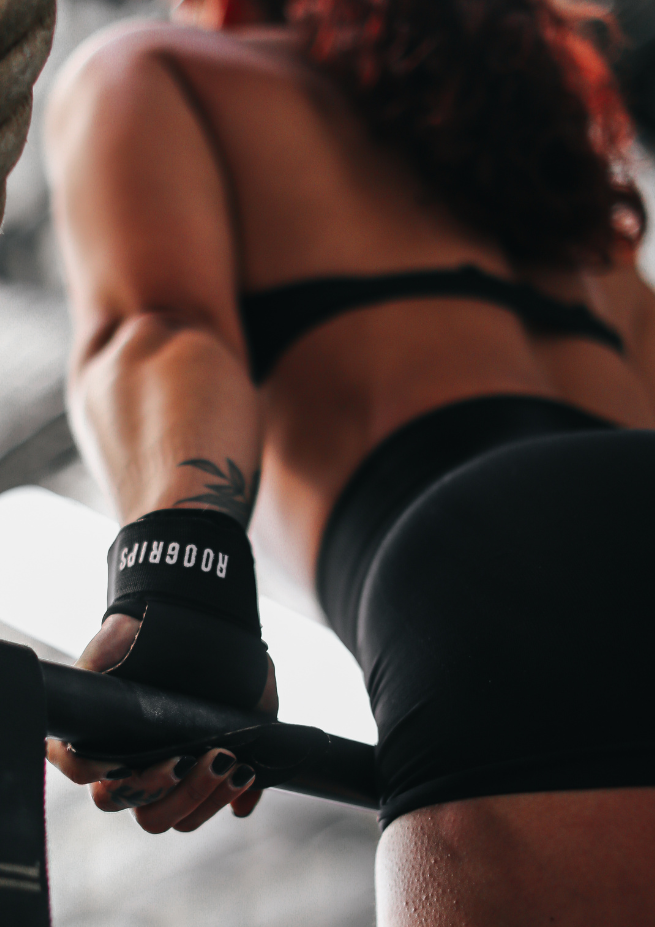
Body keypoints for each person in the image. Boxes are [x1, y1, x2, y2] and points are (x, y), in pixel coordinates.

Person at [43, 0, 655, 920]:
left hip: (498, 562)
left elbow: (159, 325)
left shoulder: (165, 70)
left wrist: (180, 581)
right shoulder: (548, 165)